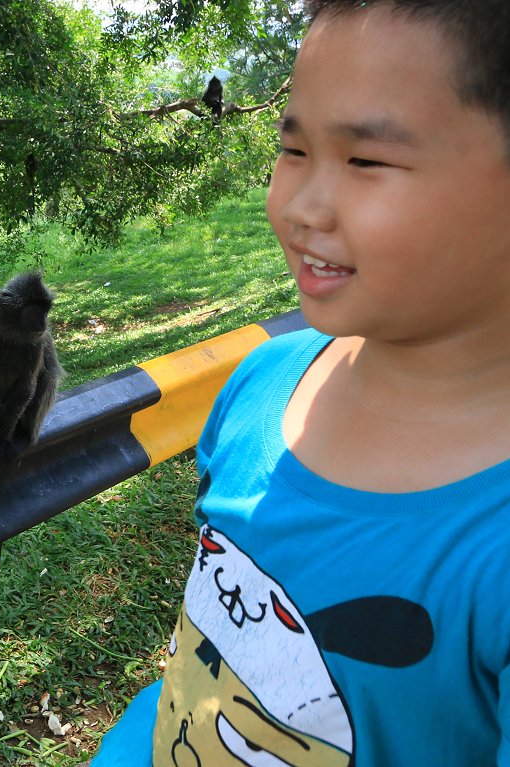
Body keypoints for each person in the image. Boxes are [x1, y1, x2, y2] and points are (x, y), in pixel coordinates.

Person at [90, 0, 510, 764]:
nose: (299, 207)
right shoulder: (260, 389)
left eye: (366, 161)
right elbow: (207, 659)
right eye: (293, 151)